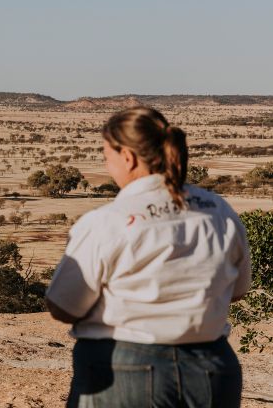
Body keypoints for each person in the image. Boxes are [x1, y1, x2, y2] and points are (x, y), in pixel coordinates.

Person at [46, 106, 251, 408]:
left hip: (125, 365)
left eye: (107, 157)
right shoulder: (219, 210)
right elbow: (239, 290)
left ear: (127, 157)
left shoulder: (108, 221)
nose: (107, 165)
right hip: (213, 367)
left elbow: (63, 306)